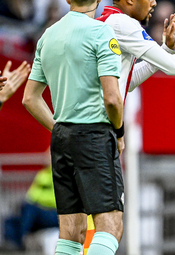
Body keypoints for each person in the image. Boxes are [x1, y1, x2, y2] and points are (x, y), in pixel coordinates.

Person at [22, 0, 124, 254]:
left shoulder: (48, 36)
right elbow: (112, 98)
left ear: (67, 0)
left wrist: (58, 127)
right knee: (110, 226)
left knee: (71, 233)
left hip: (62, 139)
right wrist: (119, 132)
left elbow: (29, 98)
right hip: (94, 136)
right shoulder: (101, 32)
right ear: (99, 0)